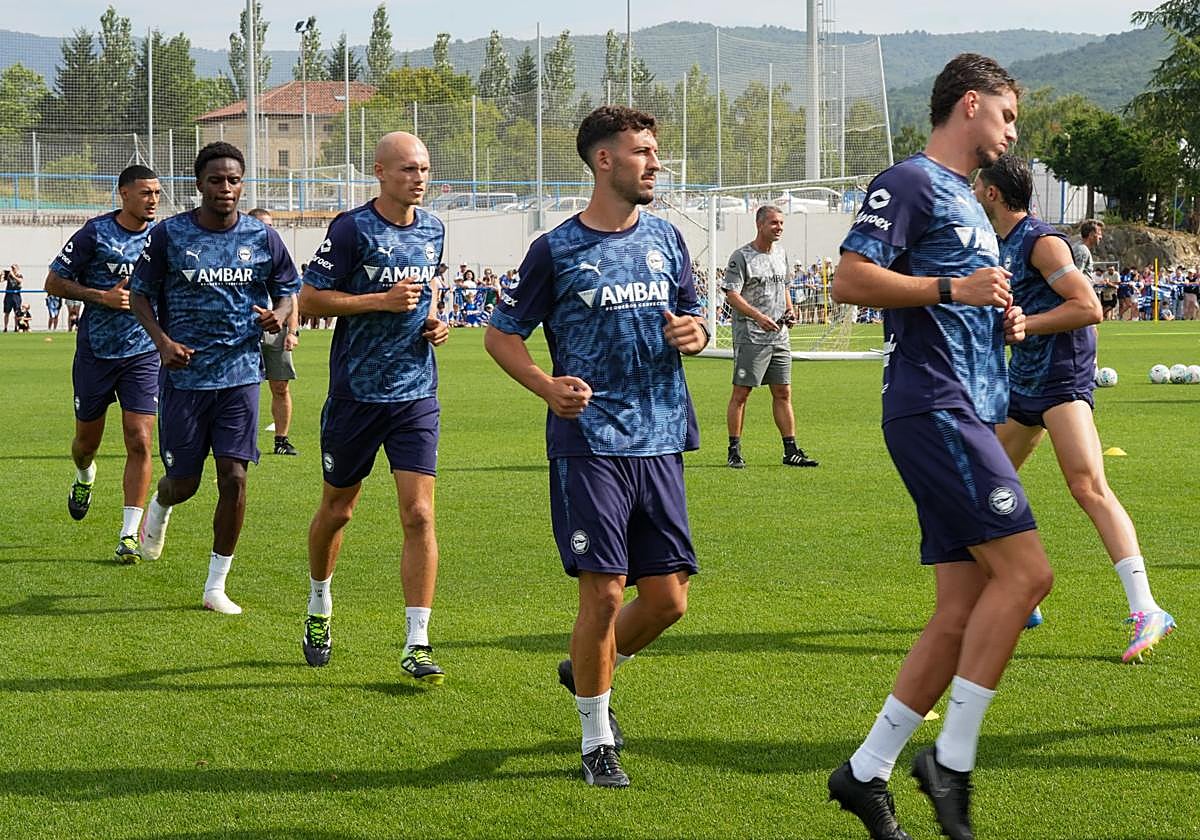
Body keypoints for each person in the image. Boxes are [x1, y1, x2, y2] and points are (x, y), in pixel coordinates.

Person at [826, 54, 1052, 840]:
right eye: (1008, 114)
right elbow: (849, 279)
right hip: (934, 407)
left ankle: (863, 772)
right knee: (1027, 575)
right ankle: (950, 760)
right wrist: (952, 290)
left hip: (964, 406)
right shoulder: (913, 180)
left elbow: (961, 296)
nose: (1012, 130)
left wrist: (1002, 317)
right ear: (968, 104)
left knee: (958, 612)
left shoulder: (966, 200)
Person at [485, 105, 709, 788]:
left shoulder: (668, 239)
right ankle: (595, 741)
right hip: (589, 442)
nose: (656, 163)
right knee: (606, 594)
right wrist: (546, 386)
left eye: (656, 151)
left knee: (669, 601)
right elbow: (502, 334)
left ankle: (585, 670)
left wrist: (694, 334)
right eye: (643, 151)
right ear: (604, 160)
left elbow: (693, 315)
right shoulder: (554, 249)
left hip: (662, 437)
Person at [975, 154, 1176, 661]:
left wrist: (1028, 324)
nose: (974, 190)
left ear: (994, 193)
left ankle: (1147, 608)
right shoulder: (998, 244)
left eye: (979, 184)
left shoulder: (1042, 241)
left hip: (1061, 378)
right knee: (984, 487)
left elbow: (1088, 307)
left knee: (1087, 486)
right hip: (1023, 381)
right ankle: (1022, 592)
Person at [298, 132, 451, 682]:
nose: (420, 178)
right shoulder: (351, 228)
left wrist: (434, 323)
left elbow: (426, 295)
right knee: (338, 511)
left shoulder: (434, 229)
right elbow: (310, 299)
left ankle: (417, 641)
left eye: (426, 168)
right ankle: (319, 603)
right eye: (409, 168)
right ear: (379, 171)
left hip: (415, 394)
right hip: (355, 396)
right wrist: (378, 302)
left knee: (420, 513)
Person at [130, 142, 298, 614]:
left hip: (241, 375)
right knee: (184, 483)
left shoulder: (263, 238)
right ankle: (159, 507)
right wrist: (162, 342)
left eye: (234, 180)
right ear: (199, 185)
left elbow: (288, 288)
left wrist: (279, 316)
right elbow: (141, 295)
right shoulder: (170, 235)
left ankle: (215, 586)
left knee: (235, 478)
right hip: (184, 379)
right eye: (216, 180)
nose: (226, 188)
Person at [44, 165, 162, 564]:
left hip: (143, 353)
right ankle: (84, 475)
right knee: (85, 445)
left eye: (158, 193)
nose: (153, 200)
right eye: (146, 193)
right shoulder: (95, 234)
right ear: (124, 194)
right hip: (95, 353)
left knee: (140, 438)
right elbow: (54, 282)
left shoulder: (165, 237)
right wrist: (100, 296)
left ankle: (129, 533)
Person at [723, 205, 819, 469]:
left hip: (779, 337)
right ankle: (734, 450)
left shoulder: (781, 255)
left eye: (782, 224)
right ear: (760, 225)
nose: (779, 228)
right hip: (751, 336)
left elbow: (784, 286)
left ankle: (791, 450)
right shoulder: (741, 256)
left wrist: (790, 310)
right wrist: (757, 316)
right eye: (774, 223)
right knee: (741, 394)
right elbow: (732, 294)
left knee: (783, 392)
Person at [248, 208, 301, 456]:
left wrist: (293, 331)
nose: (268, 229)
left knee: (280, 386)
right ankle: (238, 440)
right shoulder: (238, 253)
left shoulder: (279, 255)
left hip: (276, 329)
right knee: (241, 388)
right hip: (246, 329)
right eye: (262, 224)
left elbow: (291, 295)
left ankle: (281, 440)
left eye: (271, 225)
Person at [3, 264, 23, 332]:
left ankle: (16, 327)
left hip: (16, 296)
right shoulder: (9, 275)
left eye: (14, 268)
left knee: (16, 313)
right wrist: (1, 275)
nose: (13, 269)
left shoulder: (19, 275)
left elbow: (20, 281)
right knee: (6, 313)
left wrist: (13, 276)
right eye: (12, 268)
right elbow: (1, 280)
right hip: (8, 296)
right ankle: (5, 328)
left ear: (17, 269)